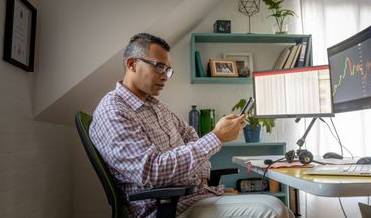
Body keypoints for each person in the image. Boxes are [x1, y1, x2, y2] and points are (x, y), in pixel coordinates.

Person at [89, 33, 294, 218]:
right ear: (132, 64)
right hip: (167, 207)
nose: (164, 76)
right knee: (272, 210)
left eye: (168, 70)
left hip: (195, 196)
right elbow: (150, 171)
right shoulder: (113, 110)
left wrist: (203, 178)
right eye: (159, 66)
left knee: (282, 209)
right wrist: (217, 137)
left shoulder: (155, 106)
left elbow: (190, 134)